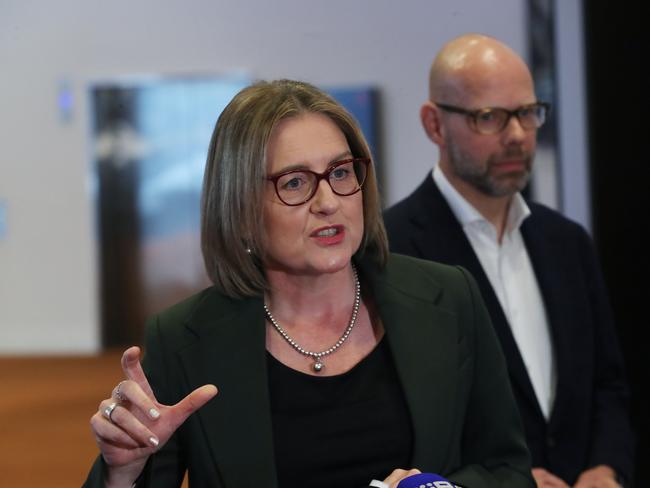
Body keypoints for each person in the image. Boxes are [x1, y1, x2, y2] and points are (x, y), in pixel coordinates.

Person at [83, 79, 535, 488]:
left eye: (340, 173)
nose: (328, 202)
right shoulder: (184, 339)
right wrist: (123, 472)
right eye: (295, 182)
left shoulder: (449, 297)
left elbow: (508, 470)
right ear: (240, 207)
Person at [383, 34, 635, 488]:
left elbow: (607, 385)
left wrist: (606, 468)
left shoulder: (566, 241)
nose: (517, 135)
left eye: (527, 113)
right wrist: (508, 480)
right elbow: (398, 419)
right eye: (490, 118)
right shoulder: (390, 251)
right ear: (435, 125)